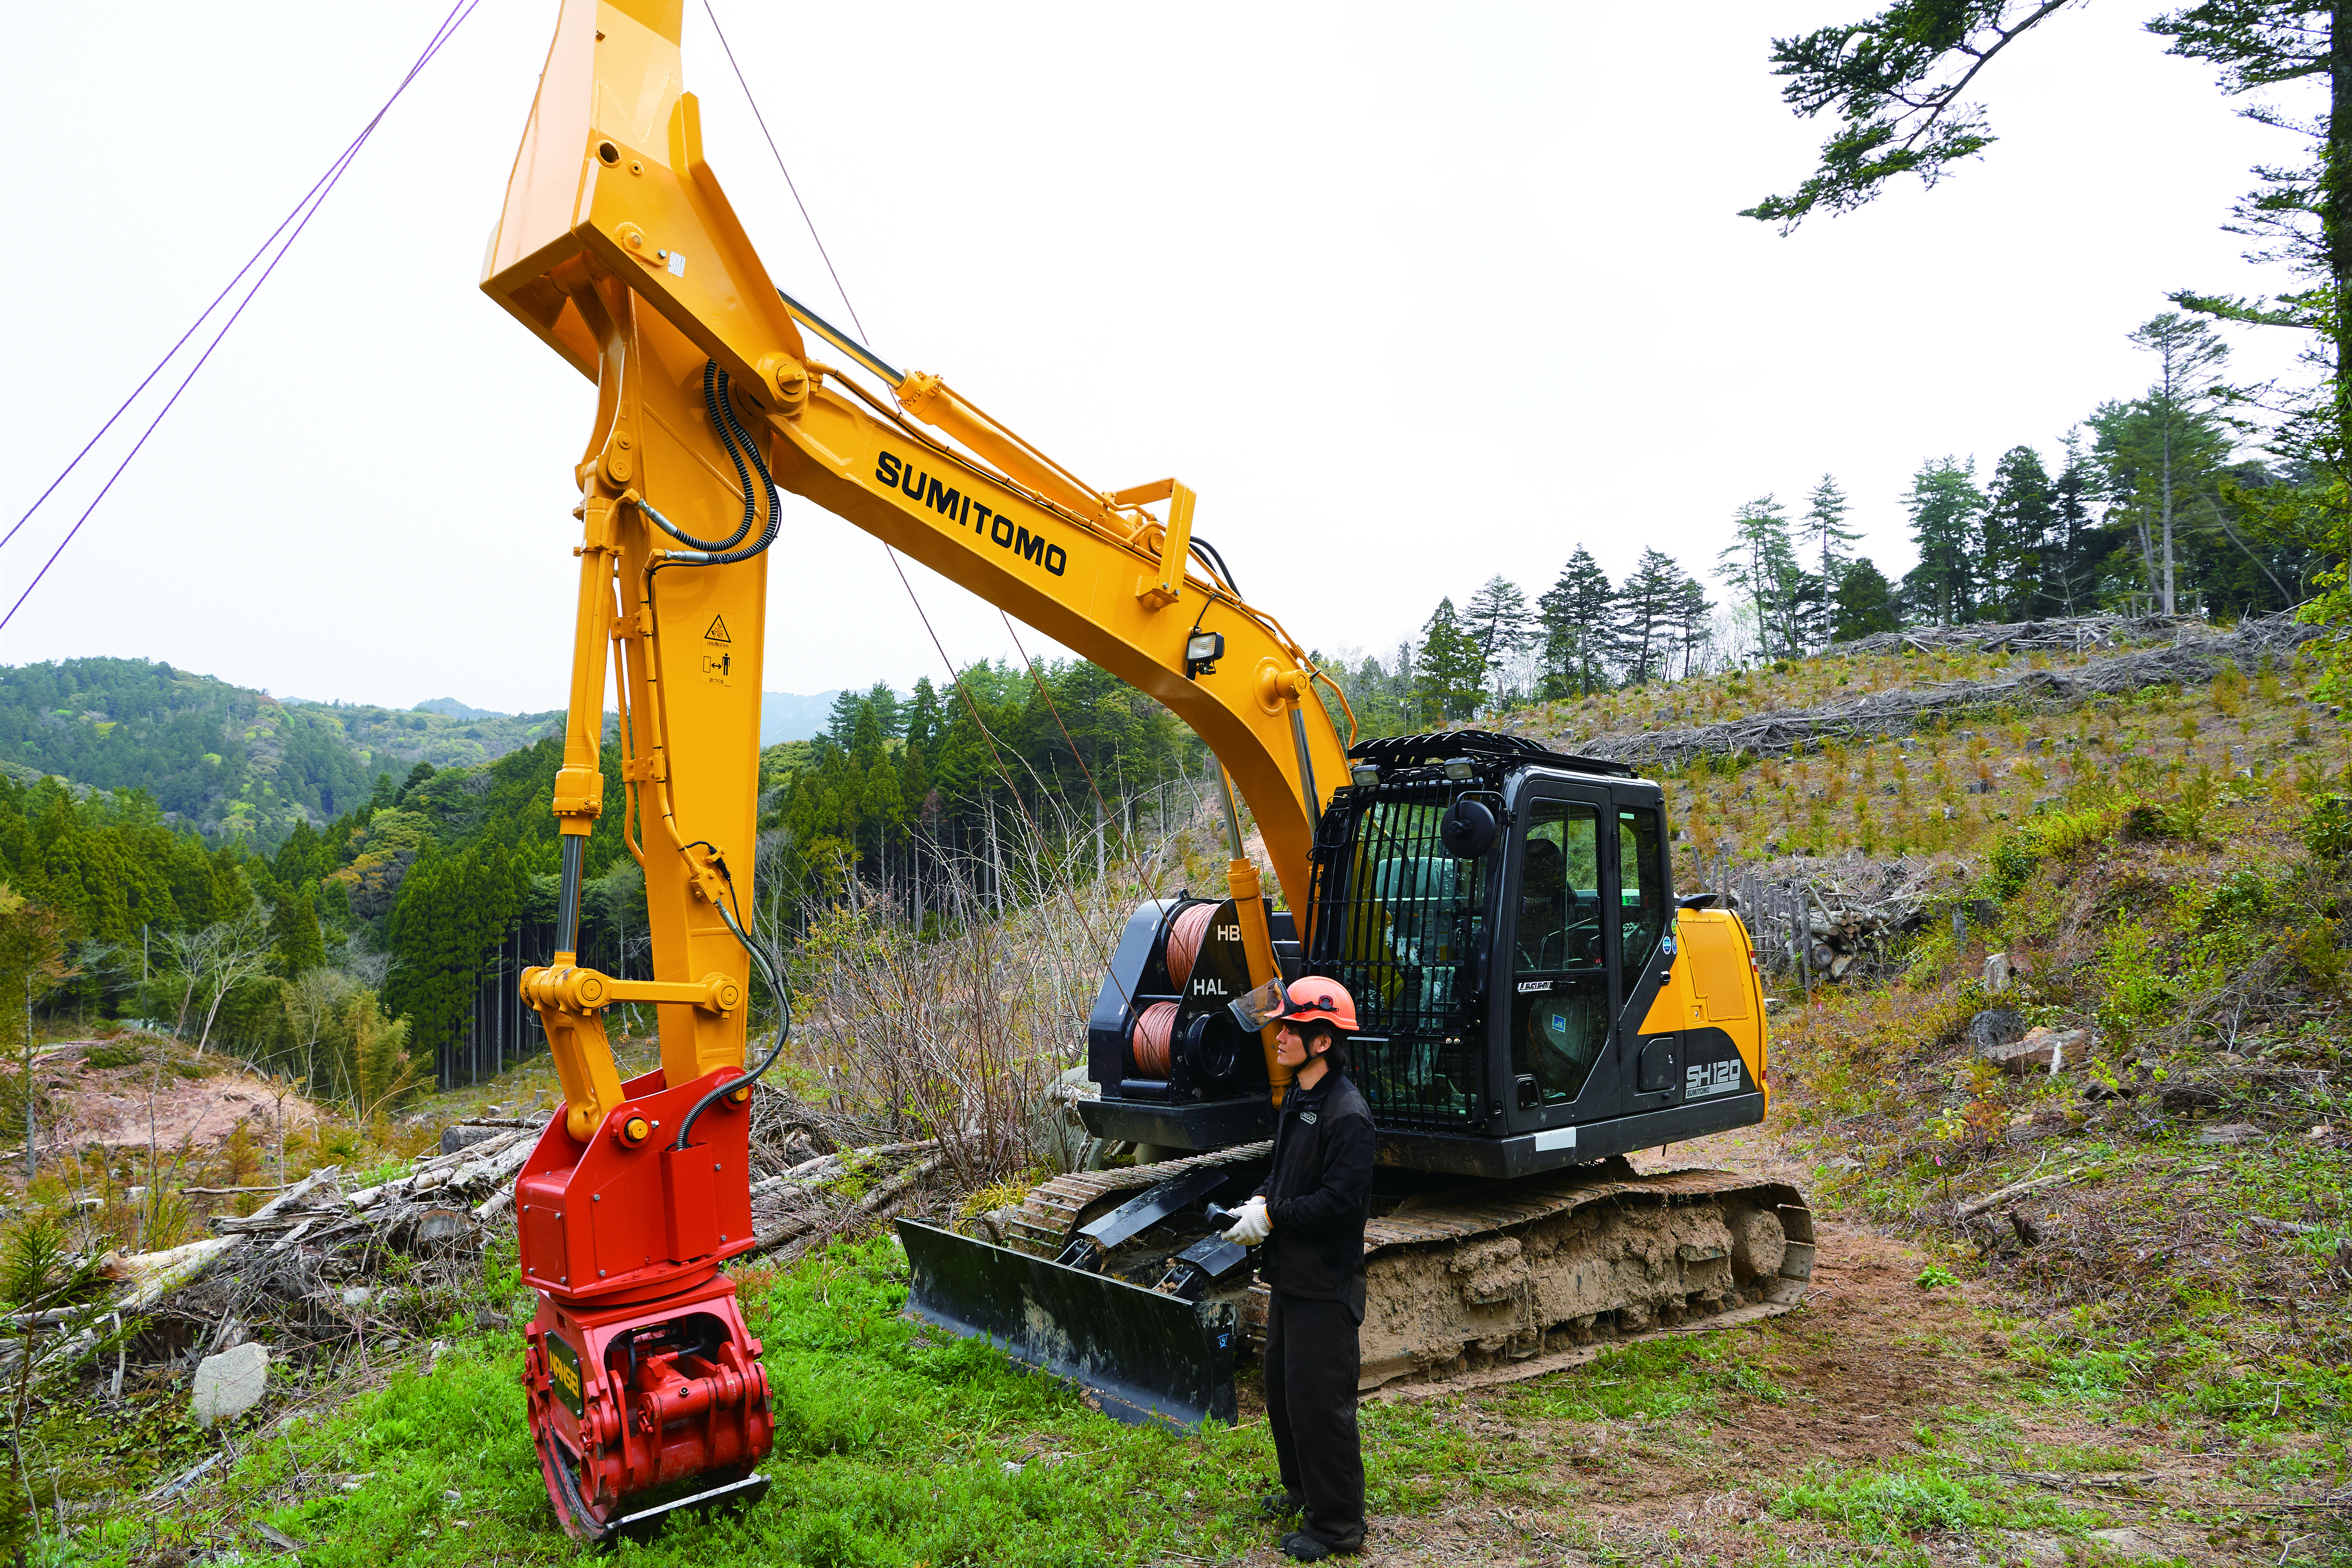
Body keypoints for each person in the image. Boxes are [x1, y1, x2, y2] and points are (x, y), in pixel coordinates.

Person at [1221, 977, 1374, 1561]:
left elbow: (1339, 1206)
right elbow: (1285, 1174)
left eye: (1291, 1028)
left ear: (1322, 1041)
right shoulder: (1301, 1101)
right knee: (1283, 1394)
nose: (1279, 1036)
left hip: (1326, 1285)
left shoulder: (1348, 1116)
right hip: (1292, 1278)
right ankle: (1302, 1491)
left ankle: (1338, 1527)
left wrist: (1275, 1217)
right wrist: (1258, 1203)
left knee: (1319, 1403)